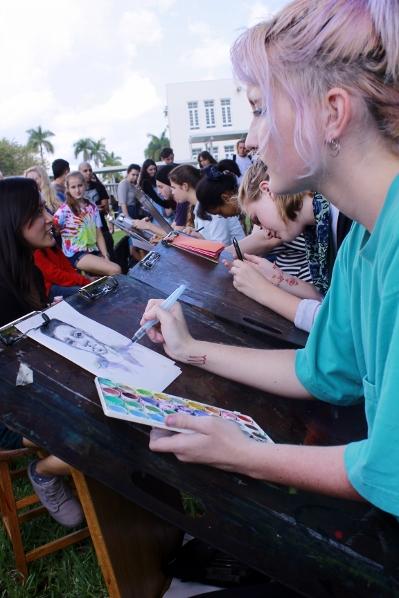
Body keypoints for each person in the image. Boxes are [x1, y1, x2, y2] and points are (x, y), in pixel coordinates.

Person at [140, 0, 399, 520]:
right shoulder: (362, 242)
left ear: (332, 112)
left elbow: (386, 470)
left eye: (260, 108)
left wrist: (244, 456)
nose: (253, 138)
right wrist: (190, 348)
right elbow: (320, 371)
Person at [0, 177, 83, 527]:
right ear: (12, 222)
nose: (51, 218)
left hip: (32, 383)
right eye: (38, 211)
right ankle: (46, 470)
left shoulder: (27, 270)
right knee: (100, 431)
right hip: (9, 407)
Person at [229, 160, 351, 331]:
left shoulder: (349, 218)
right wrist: (277, 276)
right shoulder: (320, 228)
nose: (265, 231)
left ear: (268, 190)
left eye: (257, 219)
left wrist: (263, 291)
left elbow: (349, 326)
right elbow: (329, 298)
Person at [53, 171, 121, 276]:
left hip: (93, 250)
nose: (77, 190)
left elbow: (98, 233)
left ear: (85, 185)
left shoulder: (92, 206)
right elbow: (53, 229)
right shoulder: (63, 211)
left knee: (108, 276)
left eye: (80, 185)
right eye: (73, 187)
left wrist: (105, 254)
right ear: (68, 189)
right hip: (75, 253)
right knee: (116, 270)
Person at [79, 161, 114, 258]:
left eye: (90, 170)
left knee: (109, 255)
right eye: (85, 171)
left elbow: (105, 207)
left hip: (102, 227)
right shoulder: (77, 189)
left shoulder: (99, 186)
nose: (88, 173)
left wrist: (89, 210)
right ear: (79, 172)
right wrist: (94, 209)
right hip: (85, 232)